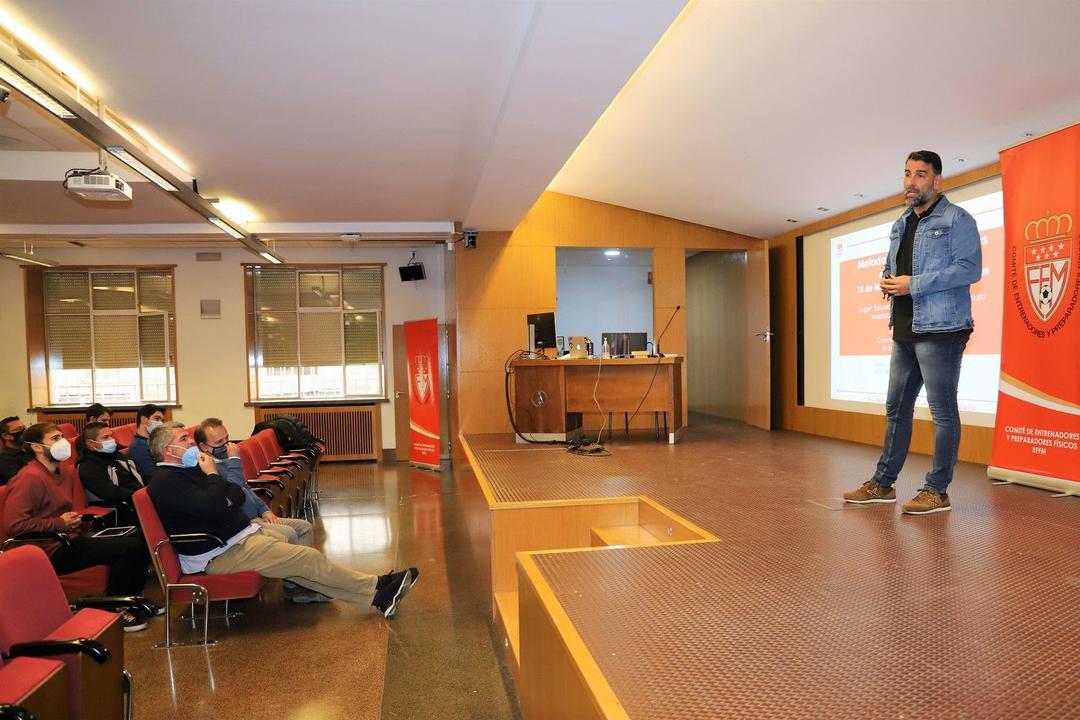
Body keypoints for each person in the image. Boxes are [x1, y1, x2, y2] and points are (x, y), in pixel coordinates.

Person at [146, 423, 418, 618]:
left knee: (300, 561)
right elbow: (216, 503)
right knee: (307, 559)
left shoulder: (189, 469)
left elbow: (235, 494)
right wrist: (213, 476)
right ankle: (376, 585)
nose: (191, 443)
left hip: (237, 538)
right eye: (184, 439)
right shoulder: (167, 482)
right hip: (218, 553)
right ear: (168, 450)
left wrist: (220, 492)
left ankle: (378, 595)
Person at [844, 150, 982, 515]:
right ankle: (882, 484)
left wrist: (913, 284)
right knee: (896, 409)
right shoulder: (901, 223)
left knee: (942, 413)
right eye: (907, 174)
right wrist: (888, 281)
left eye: (920, 174)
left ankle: (937, 491)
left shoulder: (957, 219)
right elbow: (896, 266)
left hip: (942, 330)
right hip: (904, 328)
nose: (911, 181)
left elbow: (969, 269)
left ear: (937, 180)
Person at [3, 423, 152, 630]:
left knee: (139, 538)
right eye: (55, 439)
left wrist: (73, 522)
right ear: (36, 447)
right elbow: (15, 525)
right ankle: (115, 609)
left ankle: (130, 601)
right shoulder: (29, 478)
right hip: (46, 549)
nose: (62, 442)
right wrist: (60, 523)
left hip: (68, 538)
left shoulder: (63, 473)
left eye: (61, 437)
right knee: (130, 548)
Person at [193, 418, 320, 601]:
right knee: (289, 532)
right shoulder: (208, 468)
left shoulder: (225, 460)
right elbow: (235, 491)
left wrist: (264, 509)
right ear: (204, 447)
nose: (227, 445)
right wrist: (234, 460)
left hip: (257, 516)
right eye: (219, 442)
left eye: (227, 438)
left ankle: (303, 583)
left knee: (304, 527)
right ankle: (295, 587)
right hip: (244, 523)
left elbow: (246, 488)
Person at [77, 422, 144, 525]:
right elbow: (110, 492)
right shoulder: (88, 466)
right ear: (91, 443)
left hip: (139, 497)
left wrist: (150, 490)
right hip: (125, 506)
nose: (112, 440)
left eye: (111, 436)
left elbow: (140, 474)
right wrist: (141, 496)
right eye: (106, 437)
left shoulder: (116, 455)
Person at [127, 404, 165, 481]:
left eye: (162, 420)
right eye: (157, 419)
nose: (160, 423)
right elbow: (152, 476)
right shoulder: (138, 446)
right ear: (144, 419)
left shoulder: (154, 441)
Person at [0, 416, 26, 486]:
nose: (25, 431)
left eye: (24, 427)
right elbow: (22, 484)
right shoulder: (4, 461)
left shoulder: (27, 451)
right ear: (6, 436)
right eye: (19, 429)